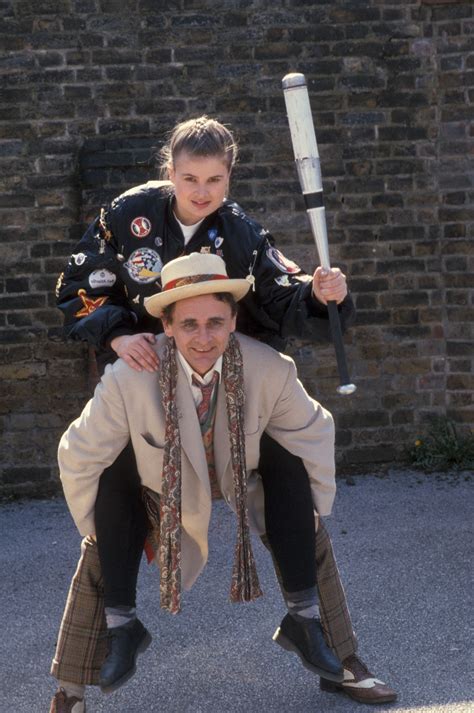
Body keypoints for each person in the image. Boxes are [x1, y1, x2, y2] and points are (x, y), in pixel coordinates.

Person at [52, 116, 396, 709]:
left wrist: (321, 293)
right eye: (190, 178)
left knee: (298, 499)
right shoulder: (126, 215)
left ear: (229, 177)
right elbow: (83, 284)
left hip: (231, 397)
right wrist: (114, 337)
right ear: (171, 173)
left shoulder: (241, 234)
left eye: (214, 179)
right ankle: (76, 681)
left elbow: (282, 295)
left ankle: (330, 650)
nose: (202, 190)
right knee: (112, 509)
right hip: (146, 385)